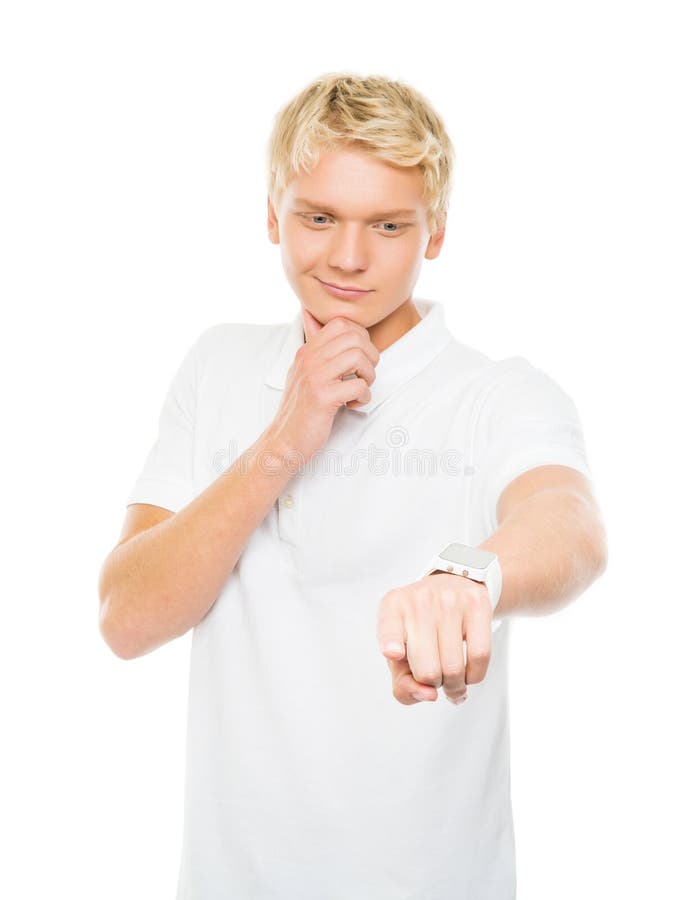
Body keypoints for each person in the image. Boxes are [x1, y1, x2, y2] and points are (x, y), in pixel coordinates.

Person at [98, 72, 608, 900]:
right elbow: (125, 618)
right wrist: (280, 444)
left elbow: (569, 523)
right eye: (318, 217)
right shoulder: (216, 364)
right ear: (272, 213)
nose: (346, 256)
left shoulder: (500, 393)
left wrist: (466, 574)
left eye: (388, 225)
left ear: (434, 231)